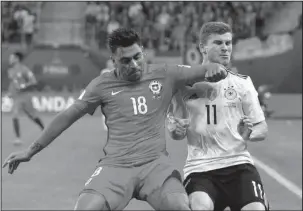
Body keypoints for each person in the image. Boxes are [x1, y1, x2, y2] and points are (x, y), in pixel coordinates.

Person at [3, 28, 227, 211]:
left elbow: (202, 69)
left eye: (137, 57)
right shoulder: (101, 85)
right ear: (113, 60)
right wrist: (30, 151)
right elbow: (66, 116)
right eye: (126, 61)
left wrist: (214, 67)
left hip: (155, 165)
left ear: (144, 52)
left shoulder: (165, 73)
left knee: (180, 207)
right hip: (115, 167)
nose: (134, 65)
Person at [167, 22, 269, 211]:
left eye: (228, 43)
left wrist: (249, 134)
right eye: (218, 43)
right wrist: (174, 130)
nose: (225, 48)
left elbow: (262, 128)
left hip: (238, 164)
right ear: (202, 47)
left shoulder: (242, 83)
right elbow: (177, 131)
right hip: (200, 169)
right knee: (199, 207)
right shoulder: (183, 83)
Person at [6, 51, 44, 145]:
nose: (9, 59)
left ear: (17, 59)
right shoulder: (10, 71)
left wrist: (23, 86)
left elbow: (33, 81)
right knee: (14, 115)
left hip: (25, 96)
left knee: (33, 116)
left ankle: (44, 130)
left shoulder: (24, 69)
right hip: (16, 97)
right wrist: (10, 92)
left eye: (11, 58)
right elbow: (13, 83)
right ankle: (18, 138)